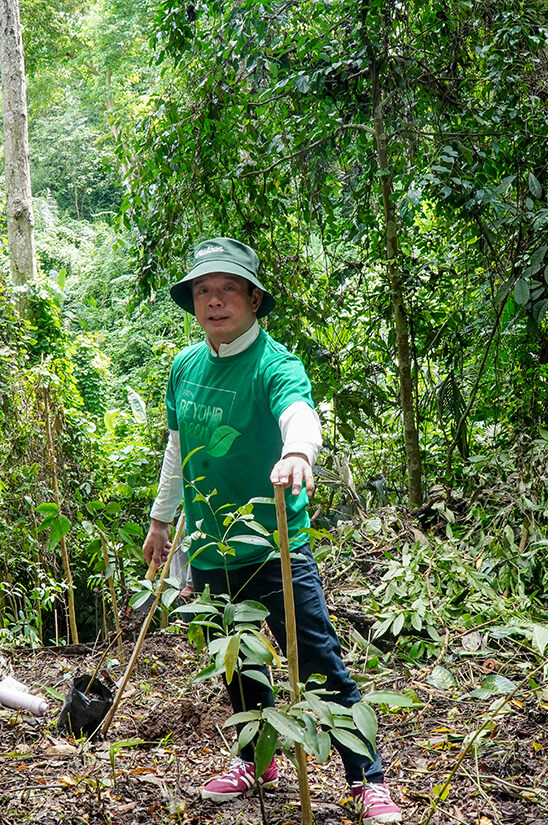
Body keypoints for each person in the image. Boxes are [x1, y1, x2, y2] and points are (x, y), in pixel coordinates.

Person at [143, 238, 402, 824]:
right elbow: (177, 449)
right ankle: (256, 761)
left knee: (315, 660)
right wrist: (161, 521)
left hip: (275, 547)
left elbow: (299, 413)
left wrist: (298, 453)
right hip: (210, 548)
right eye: (203, 291)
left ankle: (367, 780)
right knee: (237, 663)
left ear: (254, 298)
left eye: (228, 288)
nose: (214, 301)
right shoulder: (185, 366)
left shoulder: (274, 364)